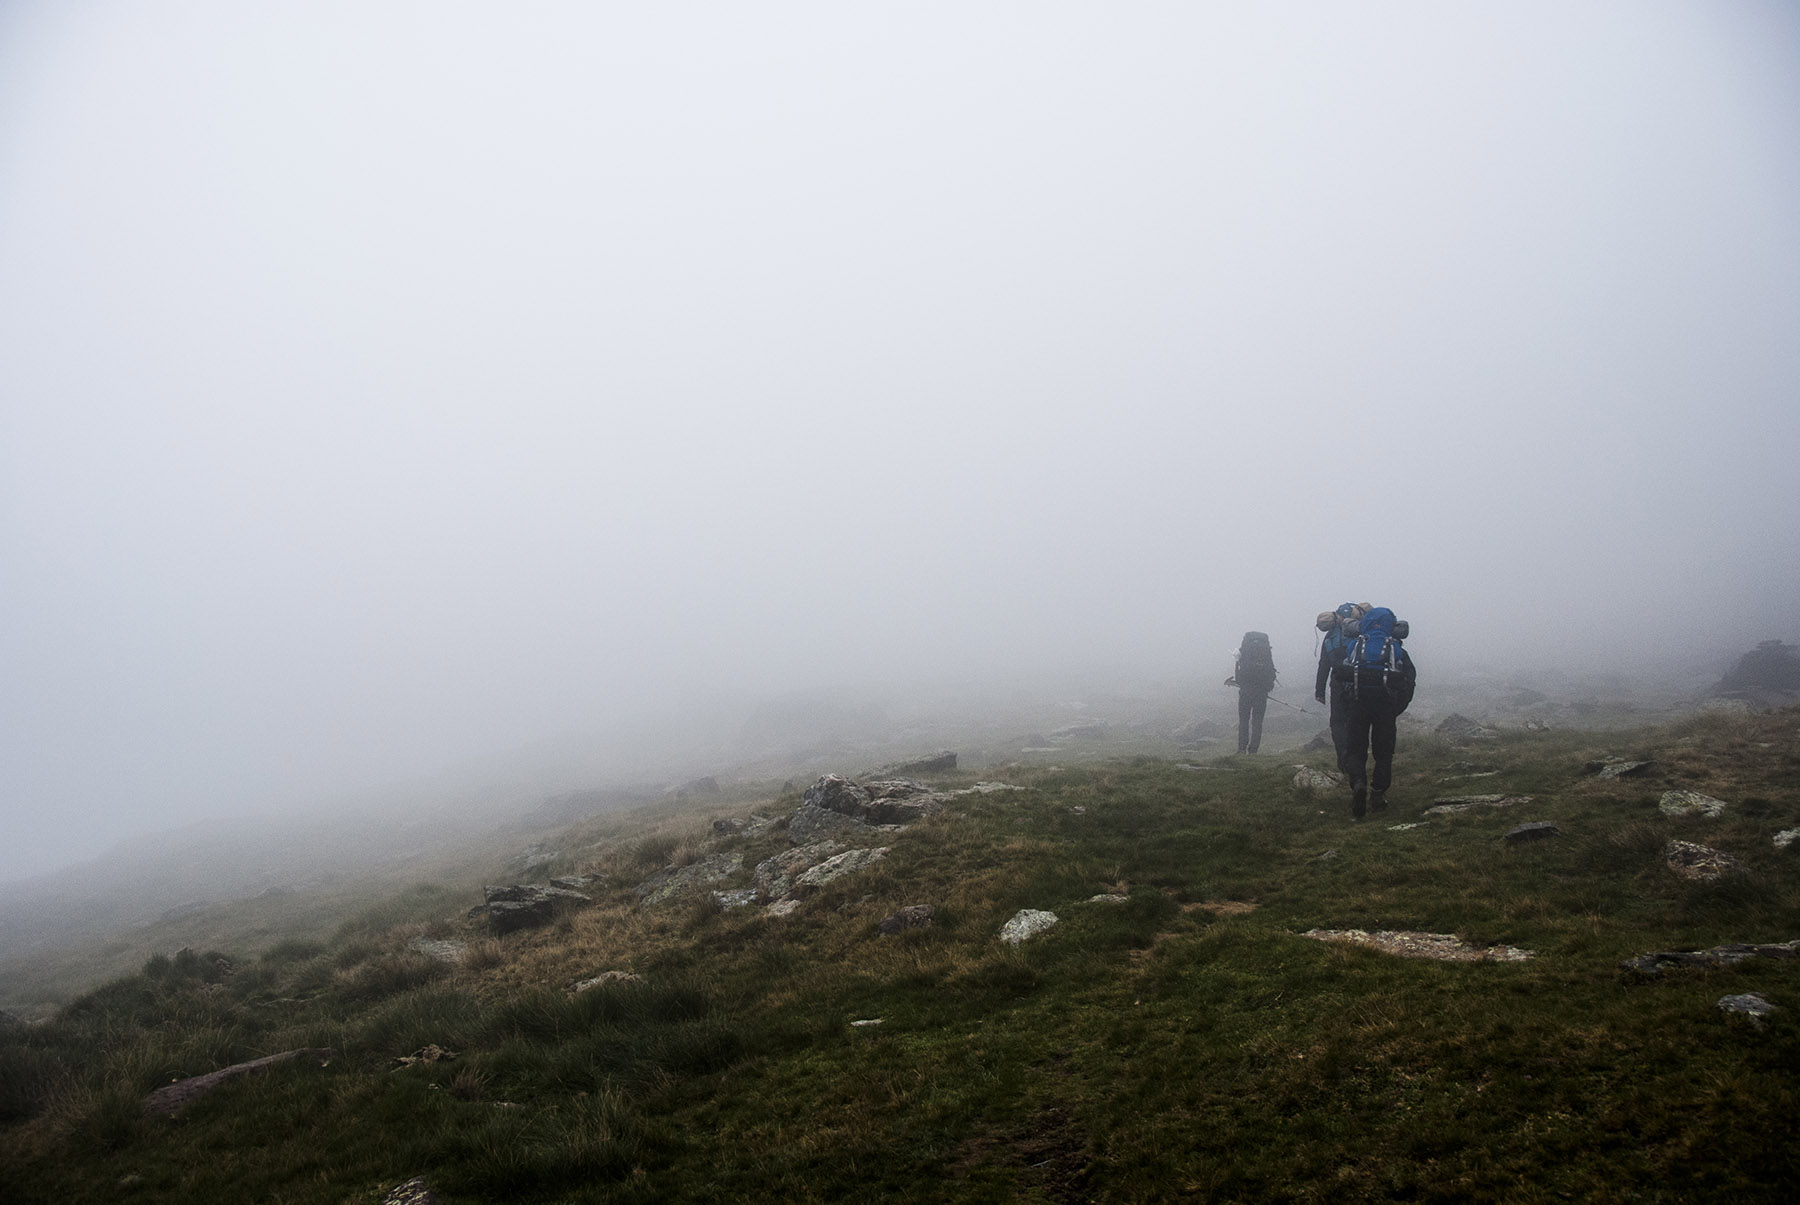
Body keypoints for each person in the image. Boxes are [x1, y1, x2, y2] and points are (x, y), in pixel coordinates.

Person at [1332, 606, 1417, 820]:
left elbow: (1341, 679)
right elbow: (1409, 681)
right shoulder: (1396, 648)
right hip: (1385, 706)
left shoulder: (1355, 645)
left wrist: (1347, 705)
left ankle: (1358, 784)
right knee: (1384, 752)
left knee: (1356, 750)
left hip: (1358, 704)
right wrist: (1397, 707)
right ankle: (1378, 794)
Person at [1314, 602, 1367, 773]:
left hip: (1337, 683)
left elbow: (1324, 664)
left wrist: (1319, 691)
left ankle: (1344, 760)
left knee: (1338, 722)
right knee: (1357, 722)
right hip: (1360, 682)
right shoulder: (1358, 632)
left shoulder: (1330, 636)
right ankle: (1357, 761)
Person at [1228, 631, 1277, 754]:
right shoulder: (1265, 652)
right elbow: (1271, 673)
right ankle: (1253, 749)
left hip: (1245, 690)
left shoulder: (1243, 651)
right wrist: (1267, 687)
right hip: (1261, 692)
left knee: (1244, 719)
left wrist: (1242, 683)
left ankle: (1241, 748)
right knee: (1257, 721)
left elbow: (1239, 674)